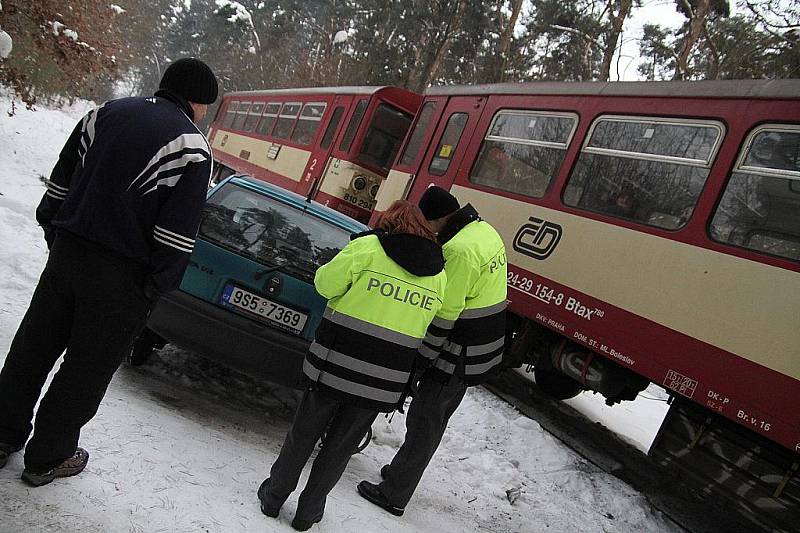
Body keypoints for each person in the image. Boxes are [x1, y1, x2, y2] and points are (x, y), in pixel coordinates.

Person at [0, 58, 218, 485]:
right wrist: (153, 288)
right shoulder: (192, 148)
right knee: (86, 369)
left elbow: (59, 188)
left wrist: (58, 240)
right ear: (197, 101)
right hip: (123, 278)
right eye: (207, 105)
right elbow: (176, 236)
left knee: (31, 350)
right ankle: (49, 456)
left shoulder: (104, 113)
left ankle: (1, 434)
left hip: (67, 255)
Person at [257, 200, 447, 531]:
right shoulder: (439, 275)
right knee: (340, 448)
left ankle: (274, 496)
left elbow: (325, 285)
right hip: (383, 380)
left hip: (335, 365)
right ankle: (308, 513)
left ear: (389, 223)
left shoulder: (368, 248)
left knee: (303, 435)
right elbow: (429, 322)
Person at [357, 186, 507, 516]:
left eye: (428, 223)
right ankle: (402, 473)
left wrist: (422, 360)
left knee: (426, 417)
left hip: (461, 349)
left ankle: (394, 494)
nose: (427, 230)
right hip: (483, 343)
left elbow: (445, 314)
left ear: (440, 219)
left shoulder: (460, 251)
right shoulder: (483, 230)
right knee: (436, 417)